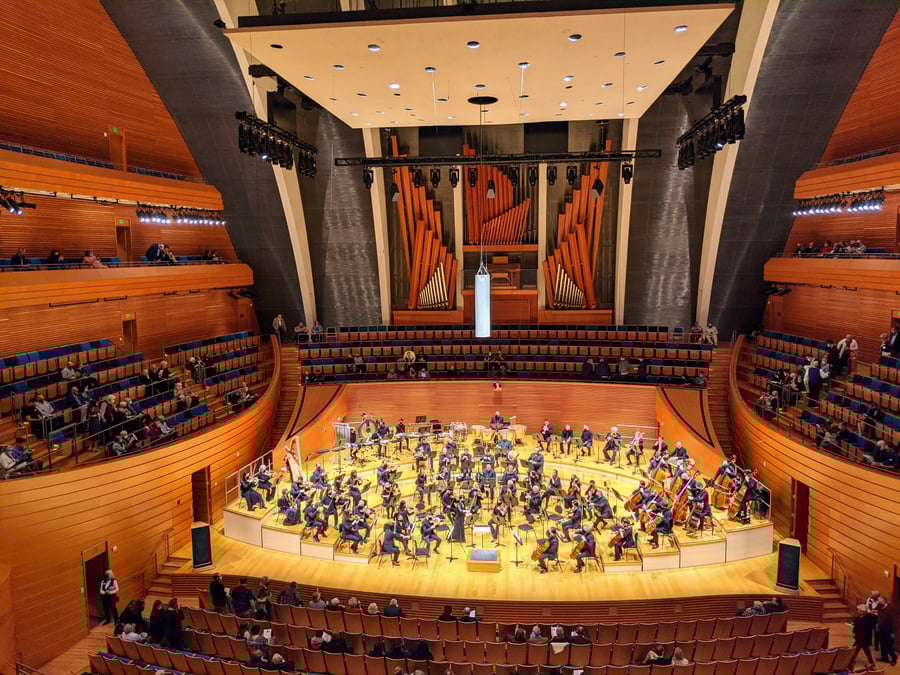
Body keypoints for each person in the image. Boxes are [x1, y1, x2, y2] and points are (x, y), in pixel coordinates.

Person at [850, 604, 876, 669]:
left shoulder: (869, 618)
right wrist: (854, 632)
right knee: (859, 649)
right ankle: (871, 662)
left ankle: (851, 660)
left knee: (856, 648)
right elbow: (856, 626)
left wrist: (870, 613)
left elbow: (872, 625)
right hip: (859, 636)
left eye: (859, 610)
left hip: (864, 637)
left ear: (862, 611)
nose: (858, 611)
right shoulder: (858, 617)